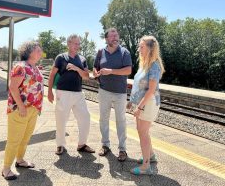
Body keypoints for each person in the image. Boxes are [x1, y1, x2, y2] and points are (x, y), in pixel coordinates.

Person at [2, 41, 44, 180]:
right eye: (38, 50)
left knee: (25, 138)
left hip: (32, 109)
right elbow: (13, 88)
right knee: (14, 139)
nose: (40, 52)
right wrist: (20, 106)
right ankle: (6, 168)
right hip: (20, 110)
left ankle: (20, 160)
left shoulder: (34, 67)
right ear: (30, 51)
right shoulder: (21, 67)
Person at [48, 34, 95, 155]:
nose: (77, 46)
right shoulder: (61, 57)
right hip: (63, 93)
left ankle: (82, 144)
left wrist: (76, 68)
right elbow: (52, 74)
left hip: (78, 93)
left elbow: (86, 77)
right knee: (61, 119)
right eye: (75, 43)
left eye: (79, 44)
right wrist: (49, 92)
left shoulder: (82, 59)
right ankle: (60, 144)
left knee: (85, 117)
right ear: (68, 44)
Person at [127, 35, 165, 175]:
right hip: (142, 102)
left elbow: (151, 90)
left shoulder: (154, 65)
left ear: (150, 48)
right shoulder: (144, 64)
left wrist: (140, 107)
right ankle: (151, 156)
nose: (138, 49)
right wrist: (132, 101)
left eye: (141, 47)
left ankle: (146, 167)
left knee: (142, 133)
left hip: (148, 104)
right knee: (142, 131)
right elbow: (139, 85)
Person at [93, 28, 132, 162]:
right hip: (104, 90)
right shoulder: (100, 52)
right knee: (103, 119)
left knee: (120, 121)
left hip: (120, 92)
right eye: (112, 36)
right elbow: (95, 67)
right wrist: (96, 73)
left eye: (116, 35)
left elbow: (128, 70)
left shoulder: (124, 52)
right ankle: (105, 145)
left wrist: (111, 71)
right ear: (106, 39)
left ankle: (122, 149)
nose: (115, 38)